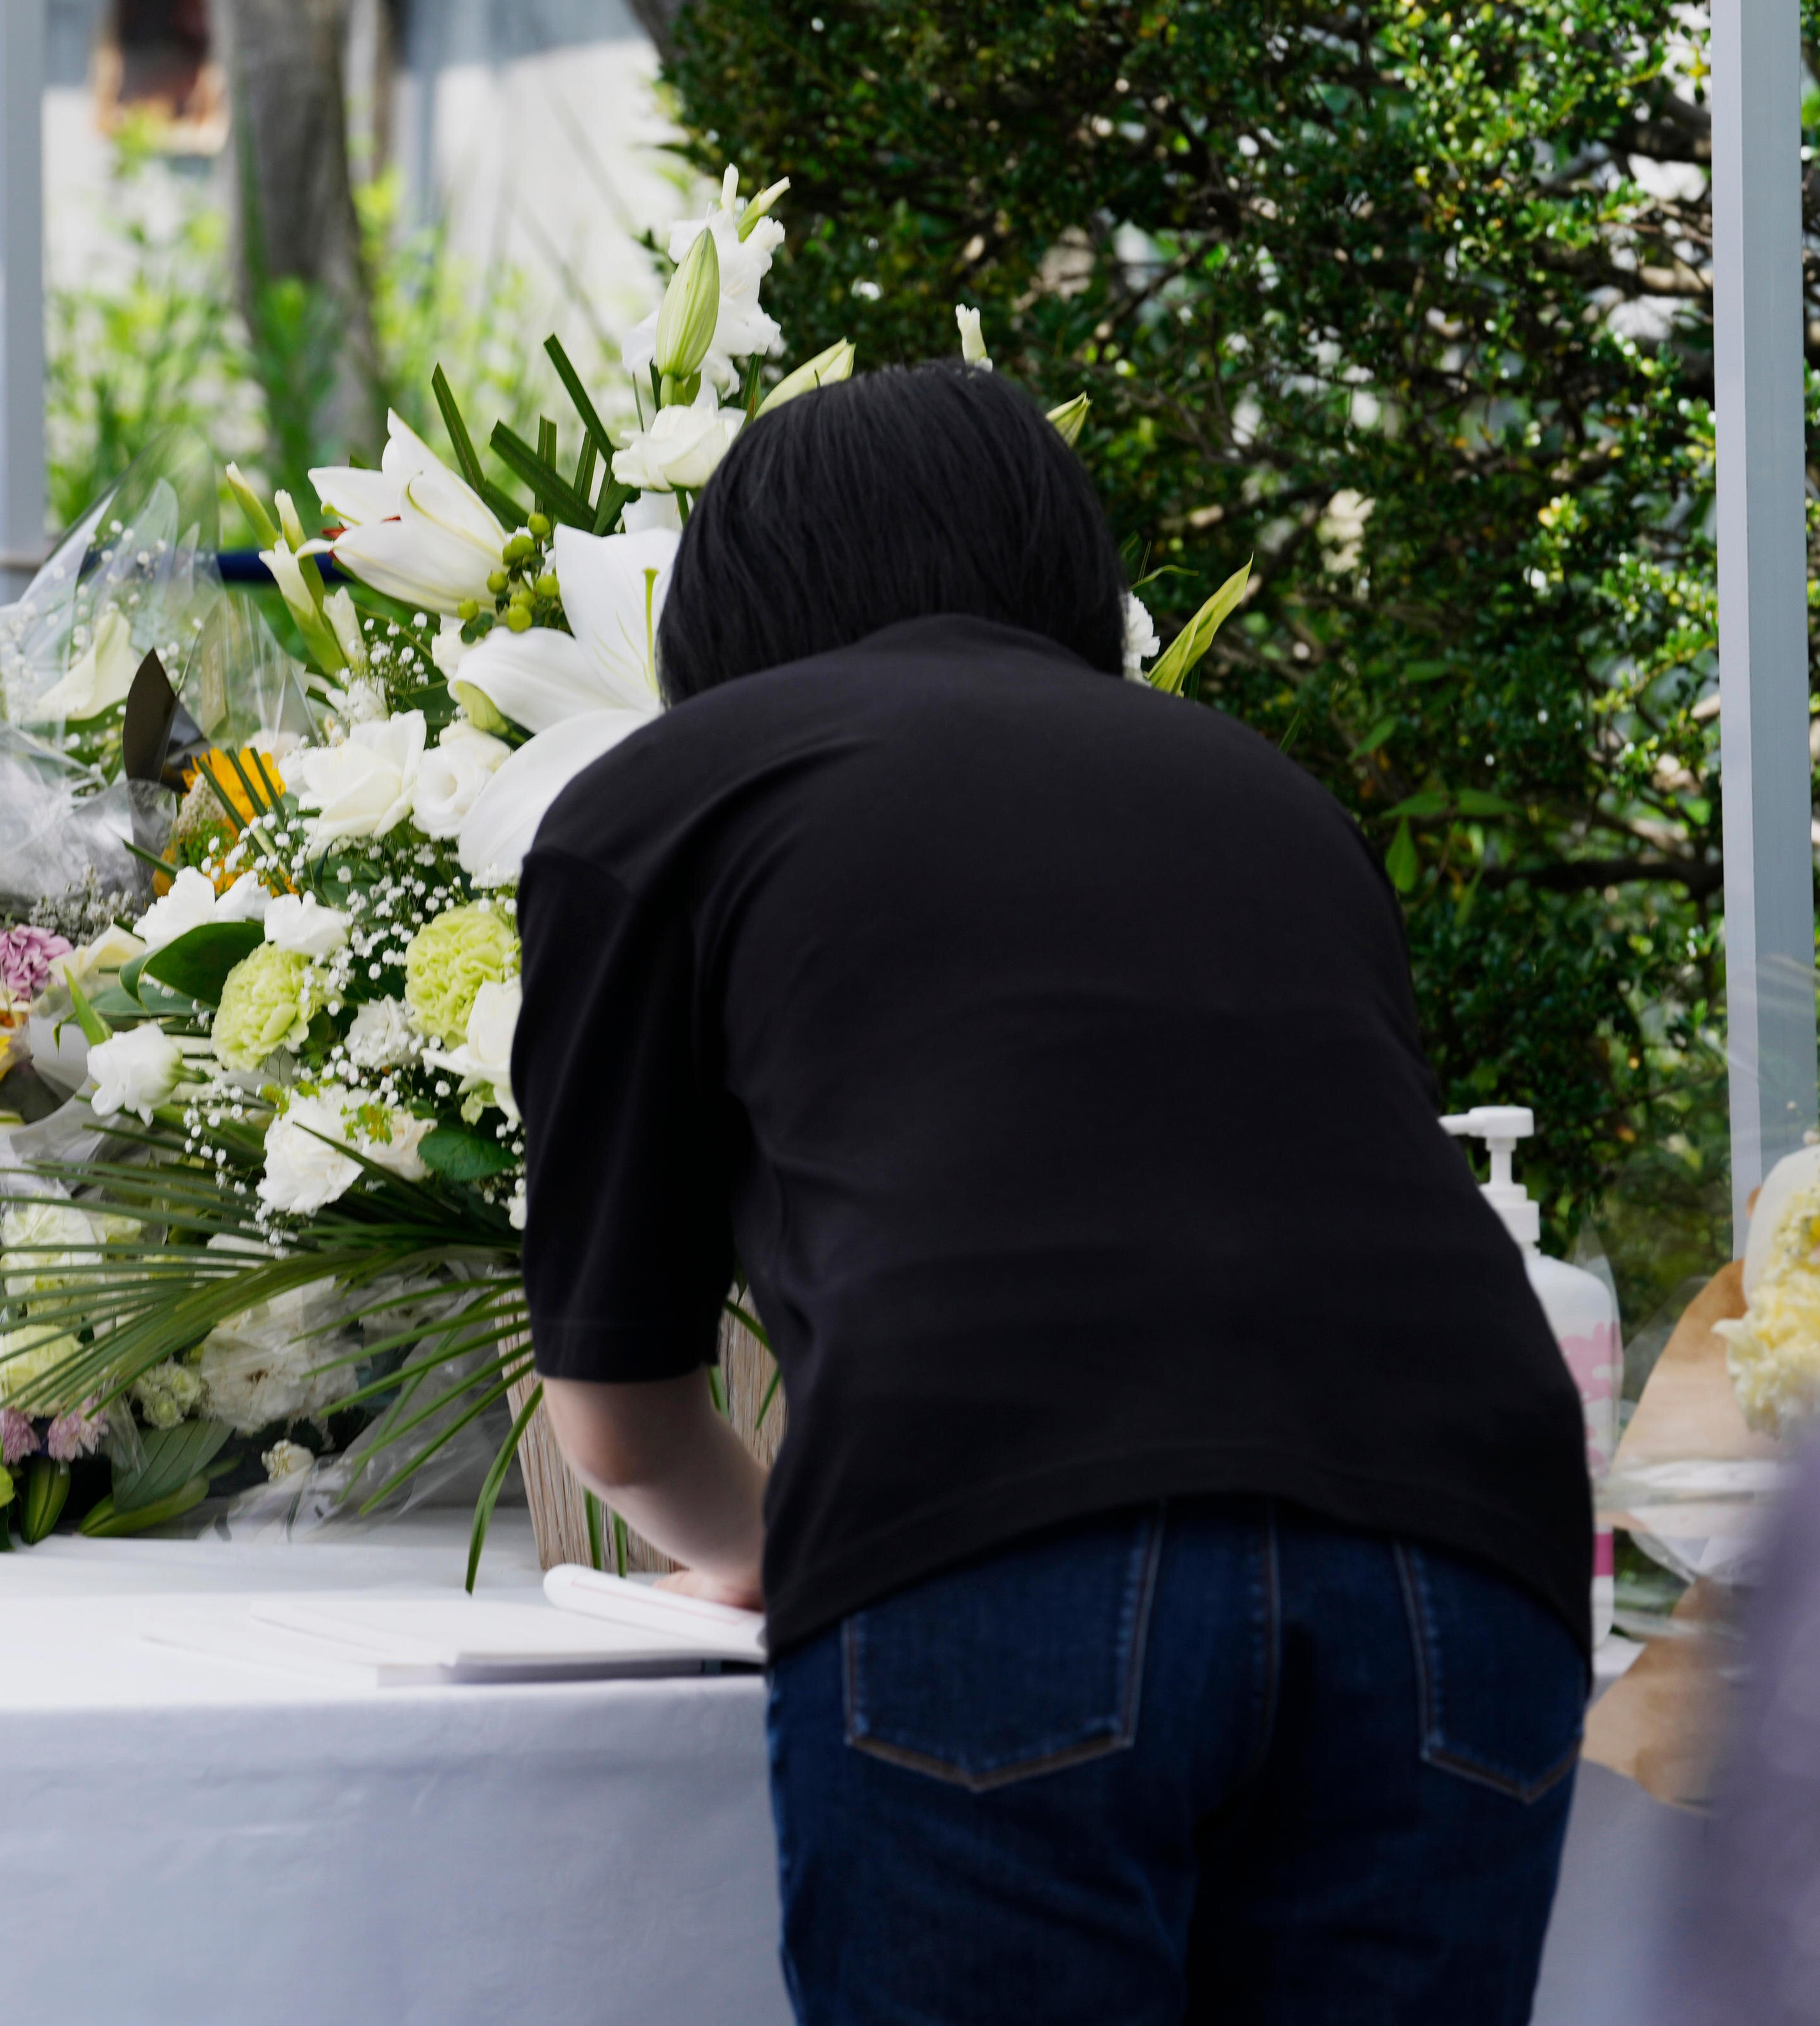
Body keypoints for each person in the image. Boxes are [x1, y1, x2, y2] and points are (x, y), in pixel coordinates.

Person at [515, 362, 1592, 2022]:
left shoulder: (677, 791)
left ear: (720, 607)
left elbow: (617, 1415)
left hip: (1004, 1521)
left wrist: (764, 1547)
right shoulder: (1270, 793)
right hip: (1469, 1549)